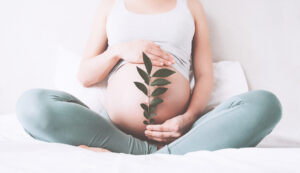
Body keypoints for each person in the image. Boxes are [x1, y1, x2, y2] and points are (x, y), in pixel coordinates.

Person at [15, 0, 282, 155]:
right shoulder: (112, 5)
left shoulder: (190, 5)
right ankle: (149, 153)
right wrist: (120, 51)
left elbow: (203, 75)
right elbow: (85, 75)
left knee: (266, 105)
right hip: (113, 132)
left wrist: (187, 119)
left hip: (181, 133)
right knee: (31, 105)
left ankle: (166, 152)